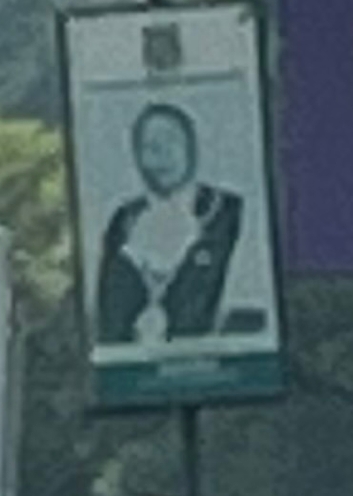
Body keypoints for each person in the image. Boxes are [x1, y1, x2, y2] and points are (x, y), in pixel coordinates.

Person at [91, 101, 250, 351]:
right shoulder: (123, 221)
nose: (161, 154)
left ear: (190, 145)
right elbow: (109, 317)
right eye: (150, 146)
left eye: (170, 141)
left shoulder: (229, 211)